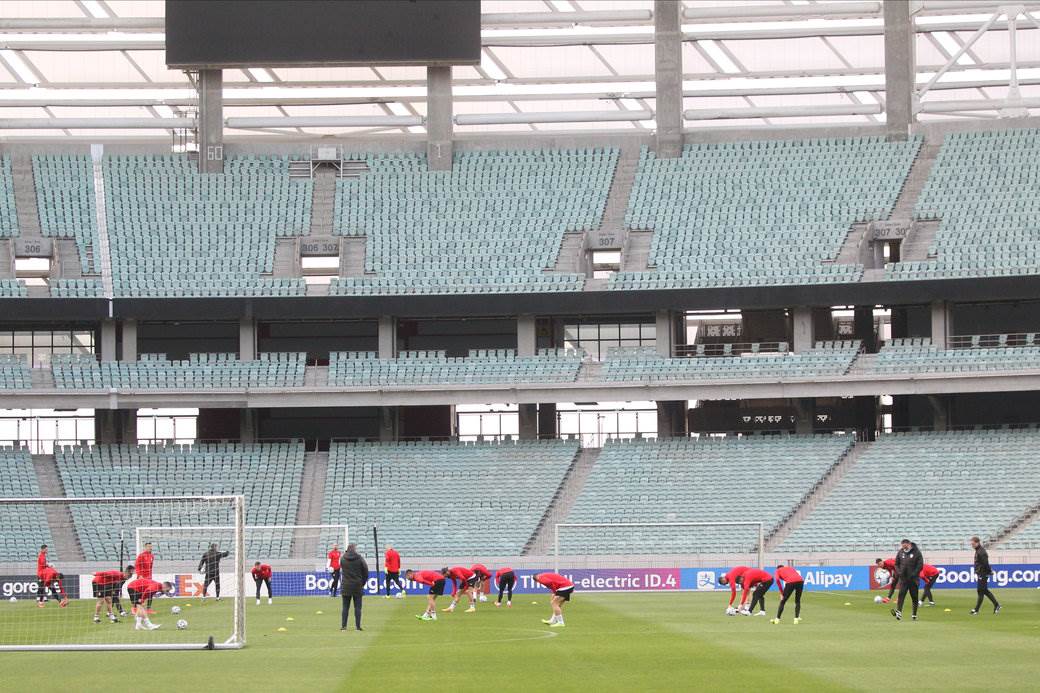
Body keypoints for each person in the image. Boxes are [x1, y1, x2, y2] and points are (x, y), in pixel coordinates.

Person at [891, 539, 923, 621]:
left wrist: (914, 574)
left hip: (913, 580)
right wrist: (899, 572)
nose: (903, 547)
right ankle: (899, 612)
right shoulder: (901, 552)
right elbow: (896, 564)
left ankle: (914, 615)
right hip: (903, 579)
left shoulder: (917, 552)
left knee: (914, 597)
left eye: (904, 546)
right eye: (902, 546)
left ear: (909, 544)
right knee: (901, 595)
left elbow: (920, 565)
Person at [340, 543, 369, 631]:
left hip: (346, 585)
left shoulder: (343, 558)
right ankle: (358, 627)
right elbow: (366, 570)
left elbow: (342, 569)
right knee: (358, 607)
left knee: (345, 607)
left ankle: (344, 626)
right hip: (357, 585)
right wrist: (362, 583)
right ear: (355, 549)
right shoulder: (360, 558)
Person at [970, 536, 1001, 615]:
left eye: (973, 544)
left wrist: (989, 571)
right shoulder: (978, 551)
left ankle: (976, 610)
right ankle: (996, 605)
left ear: (977, 543)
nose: (972, 545)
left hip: (983, 573)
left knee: (980, 591)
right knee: (984, 591)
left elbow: (985, 563)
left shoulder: (981, 552)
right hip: (981, 573)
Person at [135, 542, 156, 614]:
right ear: (145, 547)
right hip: (141, 577)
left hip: (149, 578)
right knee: (140, 593)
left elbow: (150, 567)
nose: (150, 548)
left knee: (151, 592)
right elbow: (137, 566)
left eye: (151, 546)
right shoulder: (141, 556)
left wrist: (150, 576)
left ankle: (149, 608)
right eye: (149, 546)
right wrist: (139, 575)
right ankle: (136, 608)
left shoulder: (152, 556)